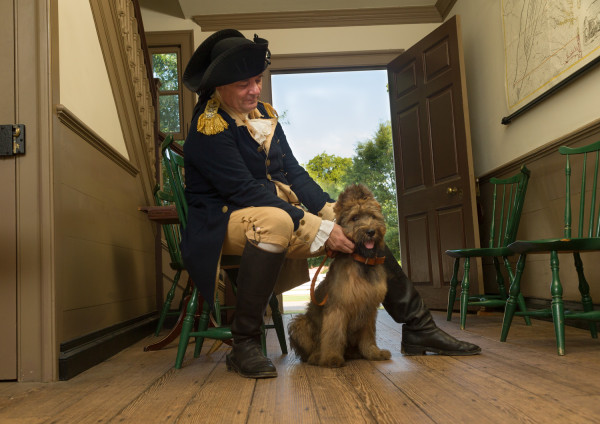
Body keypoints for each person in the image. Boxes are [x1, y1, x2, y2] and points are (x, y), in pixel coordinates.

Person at [180, 29, 480, 379]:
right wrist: (318, 228)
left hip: (274, 210)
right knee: (277, 221)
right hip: (222, 221)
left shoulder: (263, 114)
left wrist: (330, 210)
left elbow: (293, 171)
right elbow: (245, 190)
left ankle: (418, 325)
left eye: (257, 80)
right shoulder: (208, 126)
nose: (256, 90)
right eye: (245, 84)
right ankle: (244, 344)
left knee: (359, 225)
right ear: (220, 86)